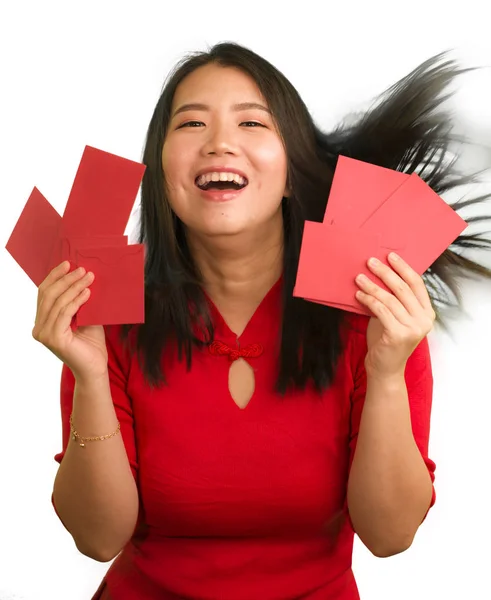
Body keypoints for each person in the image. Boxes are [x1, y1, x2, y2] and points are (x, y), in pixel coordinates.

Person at [33, 43, 491, 599]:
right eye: (192, 123)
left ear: (293, 172)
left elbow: (390, 536)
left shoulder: (371, 317)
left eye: (251, 122)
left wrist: (388, 373)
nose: (220, 142)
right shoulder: (108, 320)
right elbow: (98, 538)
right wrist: (91, 375)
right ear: (161, 176)